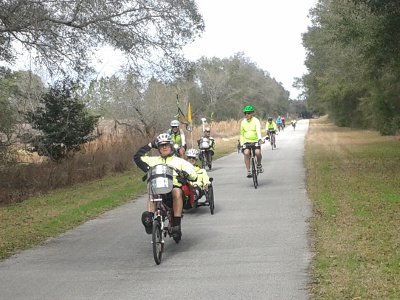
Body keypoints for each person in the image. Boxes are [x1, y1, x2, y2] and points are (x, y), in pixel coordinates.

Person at [133, 133, 197, 240]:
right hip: (158, 188)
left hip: (173, 190)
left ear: (171, 146)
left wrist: (186, 175)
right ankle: (149, 218)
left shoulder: (179, 161)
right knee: (151, 191)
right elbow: (137, 157)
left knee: (176, 191)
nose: (164, 147)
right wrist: (150, 145)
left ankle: (176, 224)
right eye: (161, 145)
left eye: (166, 145)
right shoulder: (153, 161)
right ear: (158, 148)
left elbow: (193, 174)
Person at [239, 105, 264, 178]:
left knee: (257, 152)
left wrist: (259, 139)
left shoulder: (256, 120)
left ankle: (259, 164)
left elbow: (258, 130)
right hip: (246, 141)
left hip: (255, 140)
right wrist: (242, 143)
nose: (247, 114)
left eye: (249, 113)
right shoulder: (243, 122)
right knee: (246, 153)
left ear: (252, 113)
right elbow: (241, 134)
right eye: (246, 113)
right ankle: (248, 171)